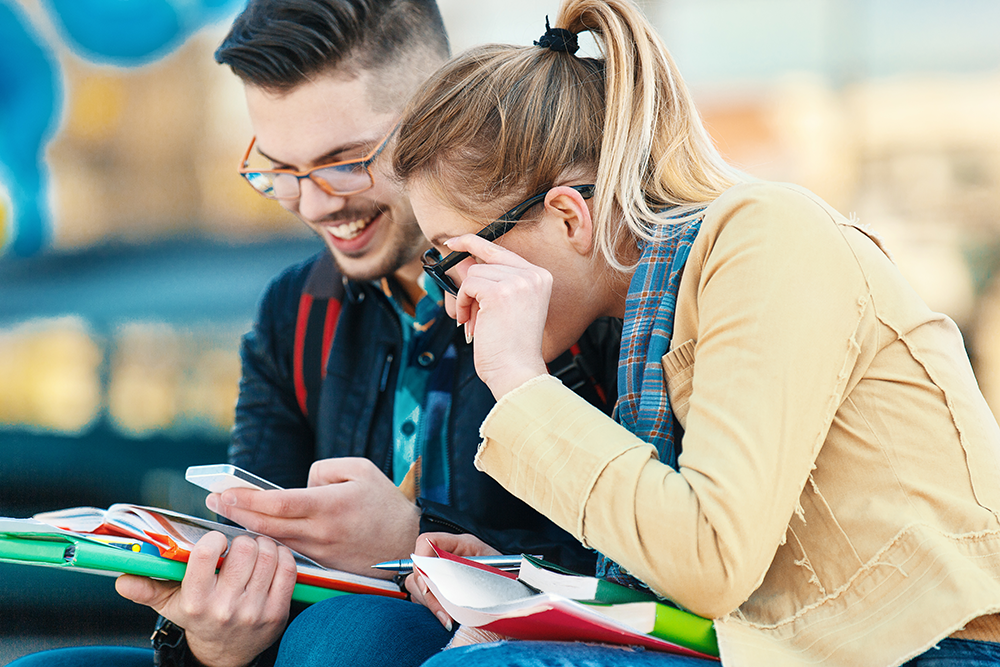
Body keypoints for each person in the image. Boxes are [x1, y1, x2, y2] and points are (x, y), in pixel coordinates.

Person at [383, 0, 1000, 665]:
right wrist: (516, 574)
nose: (453, 304)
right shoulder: (641, 311)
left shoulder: (766, 237)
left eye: (450, 260)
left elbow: (710, 560)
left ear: (568, 218)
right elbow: (680, 567)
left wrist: (520, 382)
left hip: (934, 648)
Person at [8, 2, 619, 667]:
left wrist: (418, 537)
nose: (318, 203)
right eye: (281, 169)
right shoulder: (294, 310)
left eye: (346, 161)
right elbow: (250, 558)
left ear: (440, 113)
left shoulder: (575, 290)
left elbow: (646, 564)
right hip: (315, 645)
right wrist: (213, 638)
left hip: (485, 646)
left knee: (348, 635)